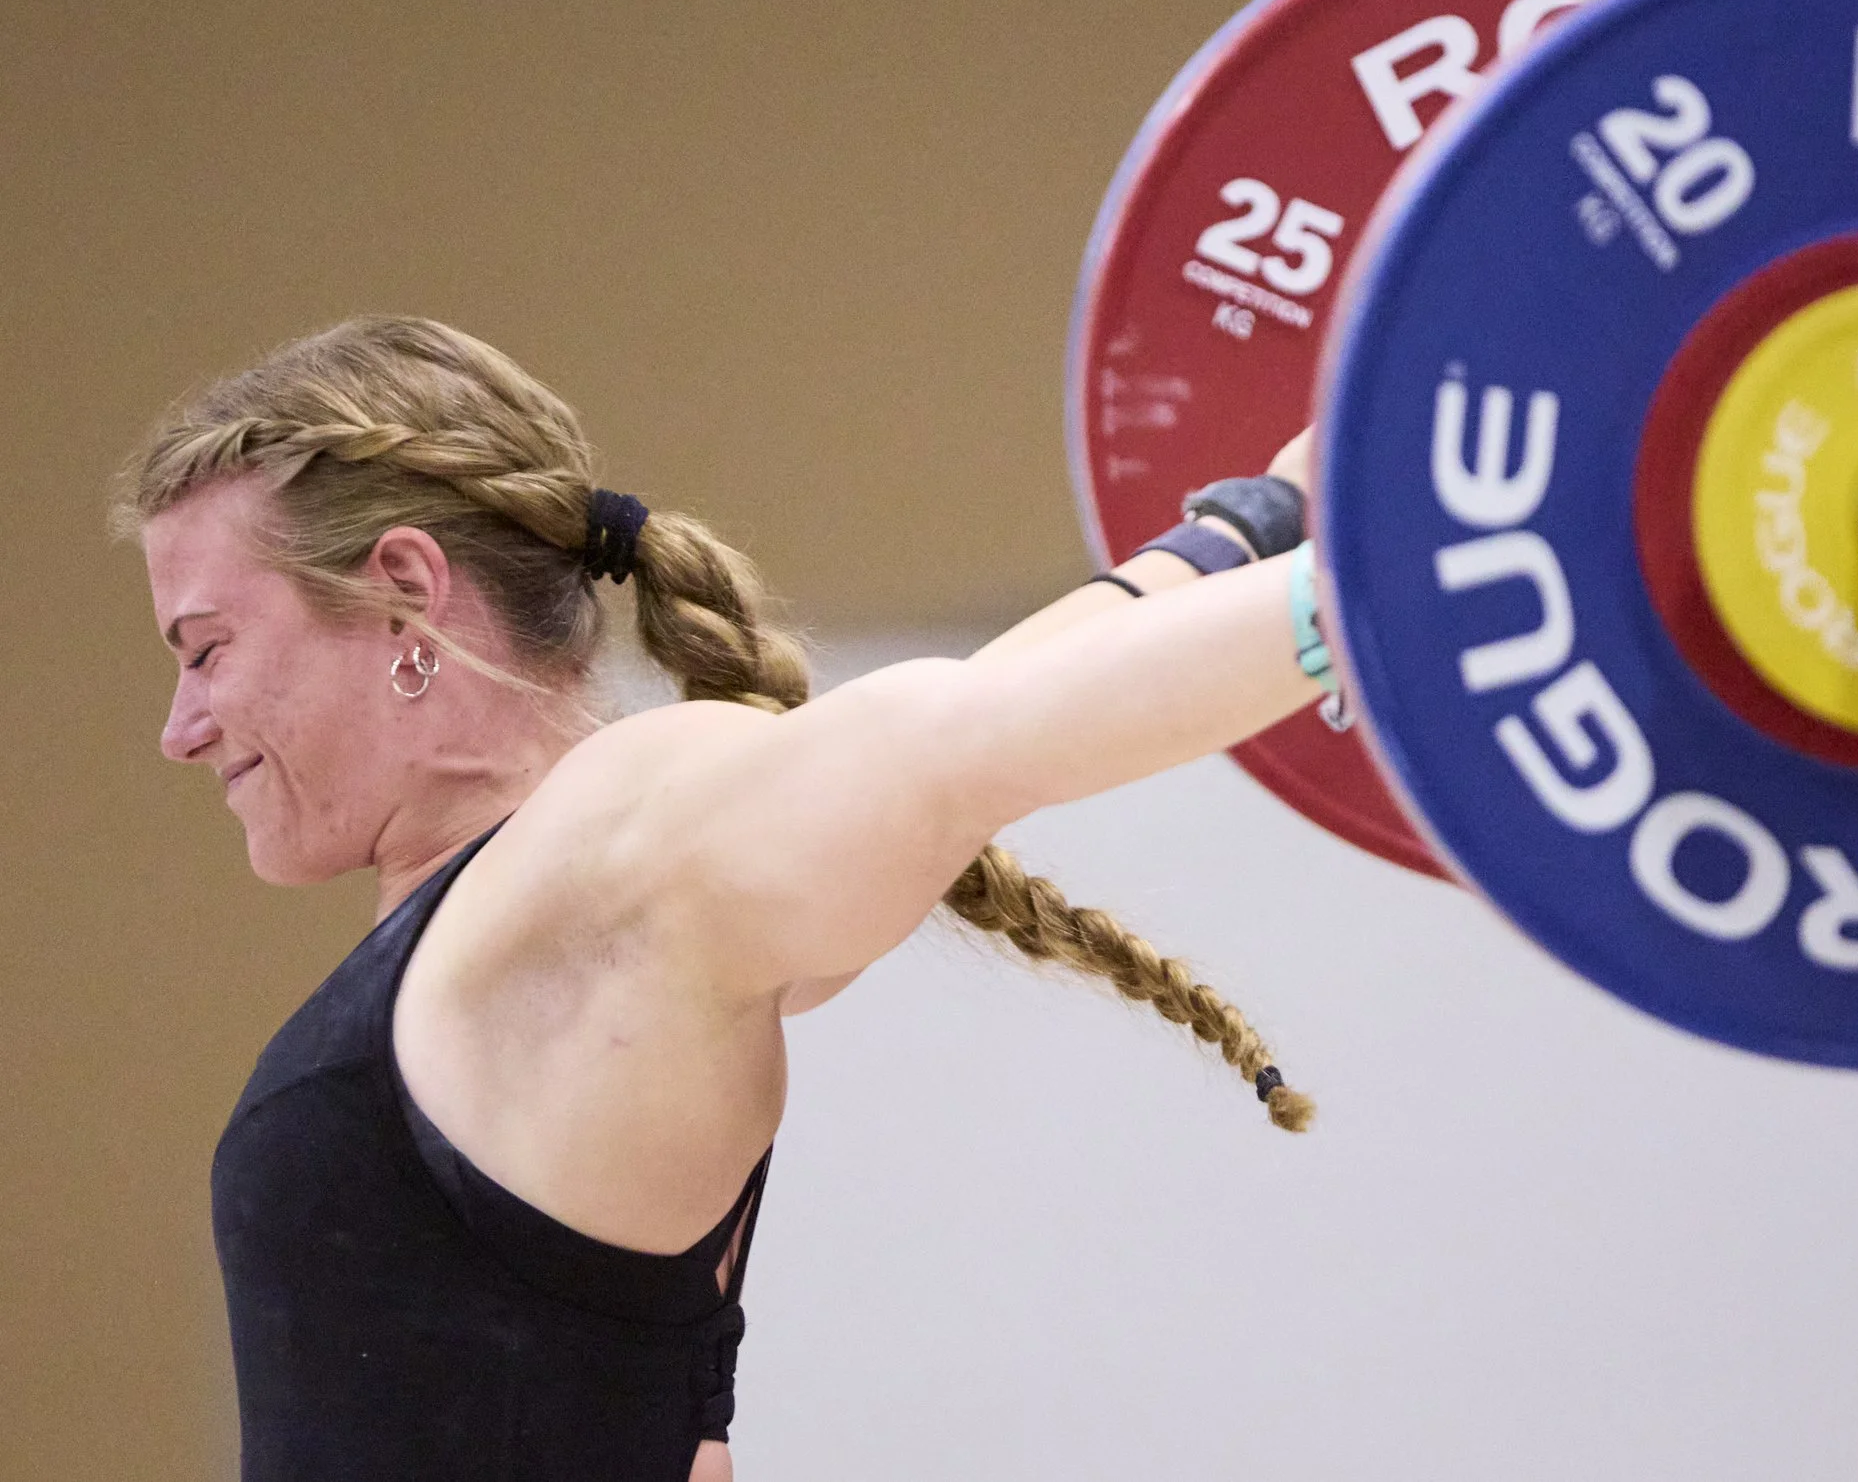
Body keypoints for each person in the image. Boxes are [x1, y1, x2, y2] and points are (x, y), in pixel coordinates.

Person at [119, 316, 1332, 1482]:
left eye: (207, 647)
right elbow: (967, 714)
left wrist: (1372, 587)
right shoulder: (583, 902)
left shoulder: (606, 854)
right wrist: (1258, 523)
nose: (179, 730)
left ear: (400, 594)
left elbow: (965, 736)